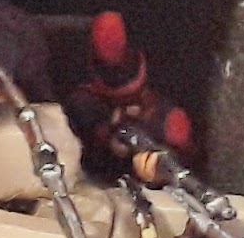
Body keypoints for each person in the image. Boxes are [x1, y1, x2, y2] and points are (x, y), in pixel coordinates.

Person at [66, 11, 199, 182]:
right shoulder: (84, 102)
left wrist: (161, 168)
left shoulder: (168, 116)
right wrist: (108, 135)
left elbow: (187, 160)